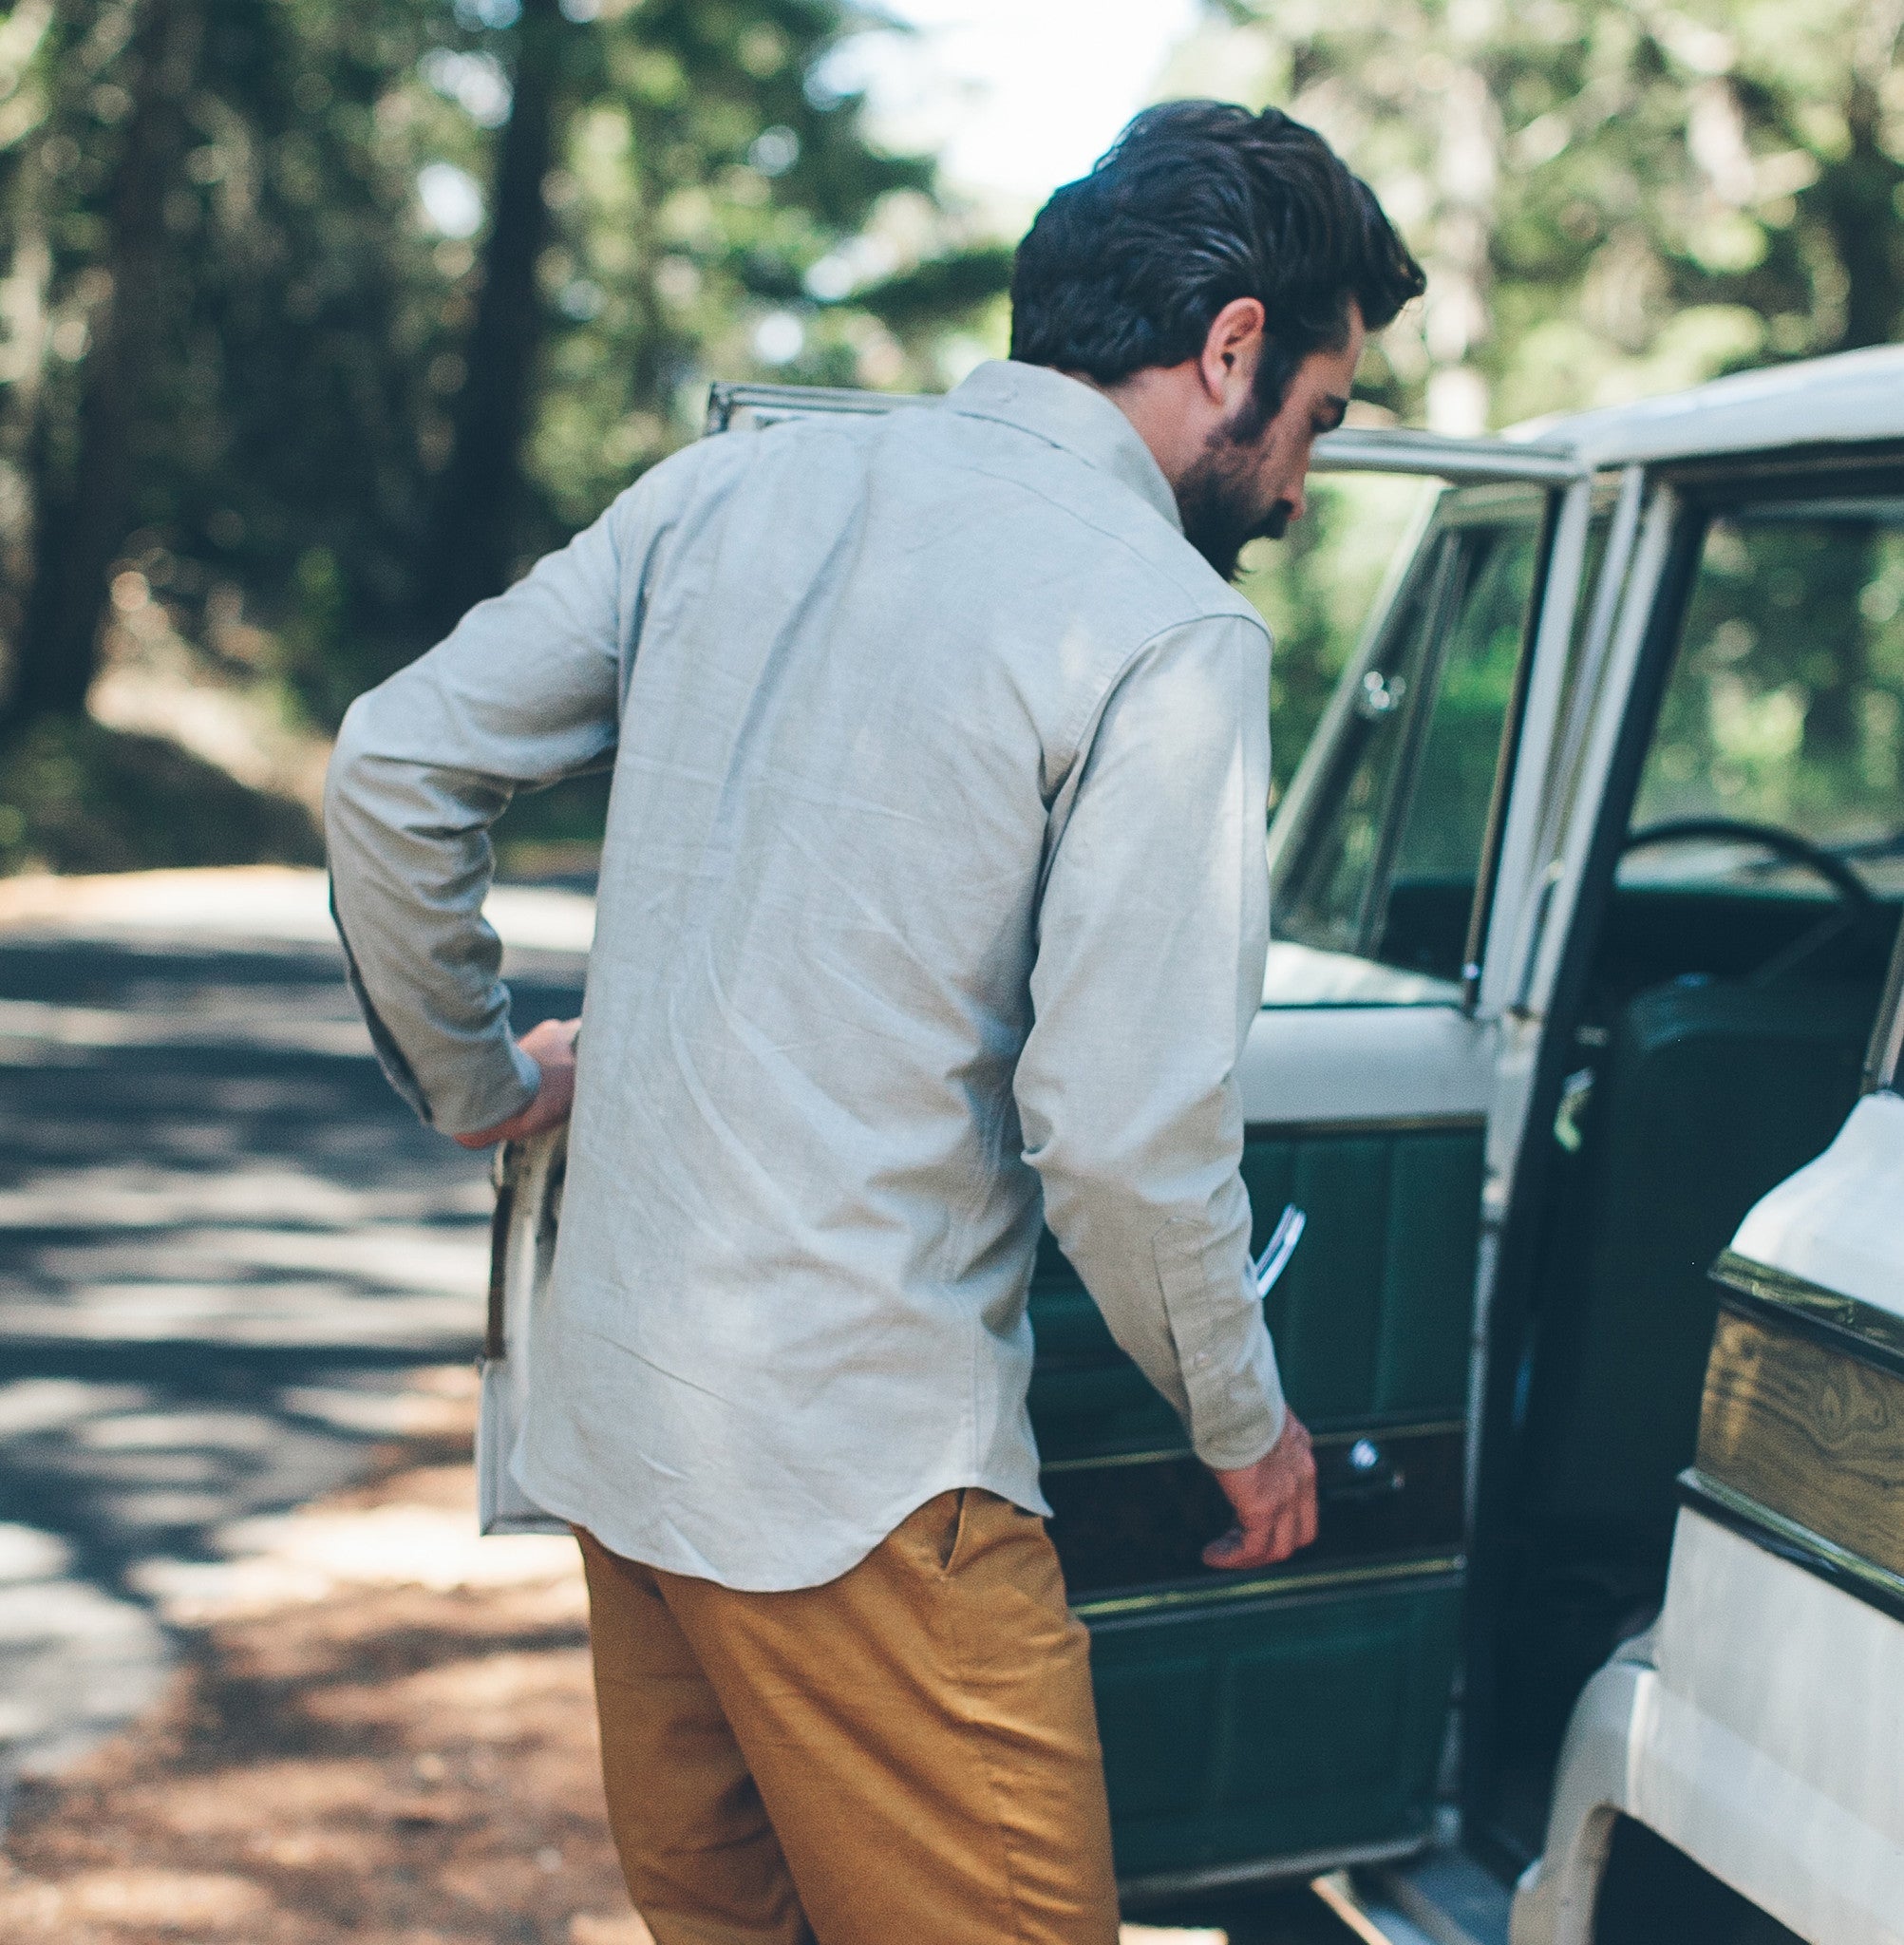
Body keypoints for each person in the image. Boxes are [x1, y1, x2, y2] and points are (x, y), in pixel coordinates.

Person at [326, 99, 1424, 1945]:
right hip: (868, 1491)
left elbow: (392, 764)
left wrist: (479, 1074)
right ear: (1231, 348)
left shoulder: (730, 492)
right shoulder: (1168, 632)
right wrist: (1247, 1424)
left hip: (619, 1434)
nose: (1301, 484)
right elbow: (1124, 1128)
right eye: (1315, 415)